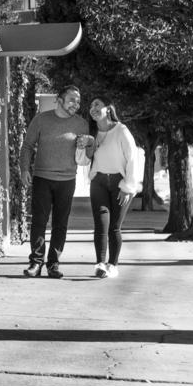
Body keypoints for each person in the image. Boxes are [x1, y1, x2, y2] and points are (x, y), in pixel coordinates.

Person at [19, 86, 93, 279]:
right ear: (59, 100)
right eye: (71, 100)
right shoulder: (41, 119)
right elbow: (27, 146)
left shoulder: (81, 124)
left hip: (67, 180)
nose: (75, 104)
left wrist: (90, 143)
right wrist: (25, 169)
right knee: (39, 222)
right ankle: (36, 263)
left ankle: (53, 264)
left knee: (60, 224)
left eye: (78, 101)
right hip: (42, 177)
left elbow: (88, 155)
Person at [87, 97, 142, 279]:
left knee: (114, 228)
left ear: (108, 109)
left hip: (120, 184)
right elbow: (83, 160)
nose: (93, 108)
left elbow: (133, 158)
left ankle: (113, 265)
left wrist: (128, 187)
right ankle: (100, 264)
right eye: (91, 105)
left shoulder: (121, 131)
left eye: (97, 105)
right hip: (99, 183)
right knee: (101, 225)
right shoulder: (92, 133)